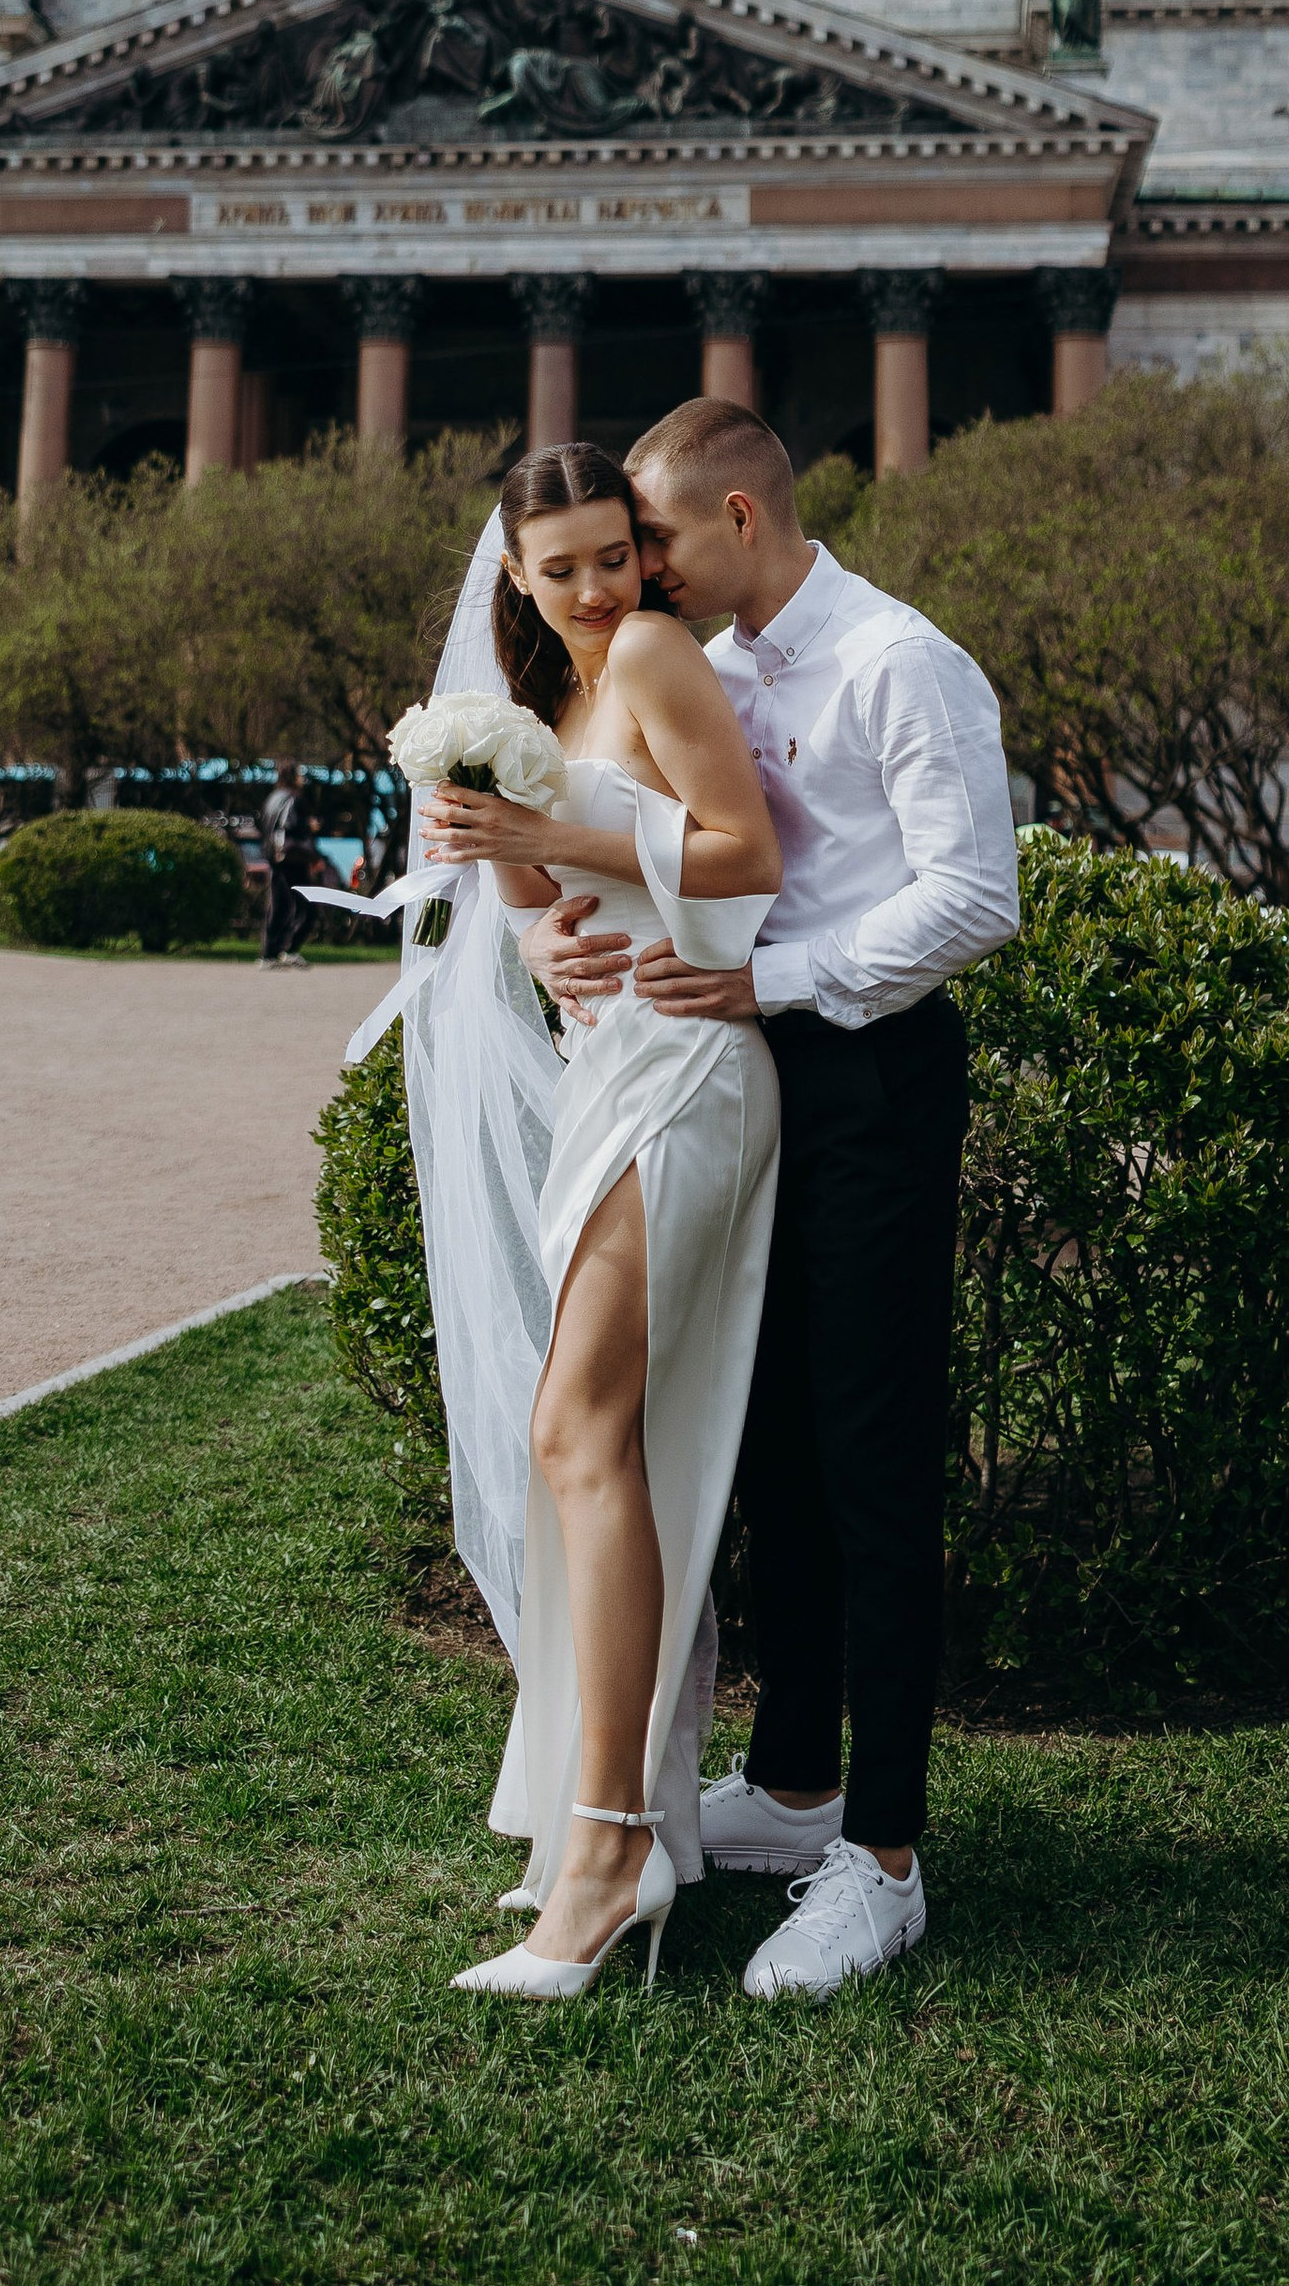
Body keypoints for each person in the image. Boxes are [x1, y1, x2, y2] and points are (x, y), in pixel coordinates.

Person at [522, 401, 1019, 2002]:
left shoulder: (901, 661)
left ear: (741, 514)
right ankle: (795, 1773)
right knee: (774, 1445)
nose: (634, 571)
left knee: (873, 1459)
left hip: (870, 1074)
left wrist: (781, 986)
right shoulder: (711, 664)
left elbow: (973, 897)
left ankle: (881, 1857)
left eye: (653, 537)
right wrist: (555, 934)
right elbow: (647, 841)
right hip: (738, 1077)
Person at [417, 442, 785, 2001]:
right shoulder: (542, 707)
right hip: (608, 1064)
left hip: (692, 1067)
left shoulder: (649, 654)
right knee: (590, 1443)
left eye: (611, 555)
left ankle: (614, 1842)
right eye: (558, 565)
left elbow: (744, 850)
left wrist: (543, 839)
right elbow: (554, 929)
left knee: (579, 1428)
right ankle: (624, 1818)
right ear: (511, 570)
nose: (594, 588)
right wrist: (520, 908)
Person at [259, 759, 315, 963]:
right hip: (292, 857)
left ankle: (269, 952)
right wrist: (310, 851)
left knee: (277, 904)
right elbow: (289, 827)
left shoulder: (273, 798)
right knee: (304, 904)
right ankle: (288, 949)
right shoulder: (293, 799)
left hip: (274, 857)